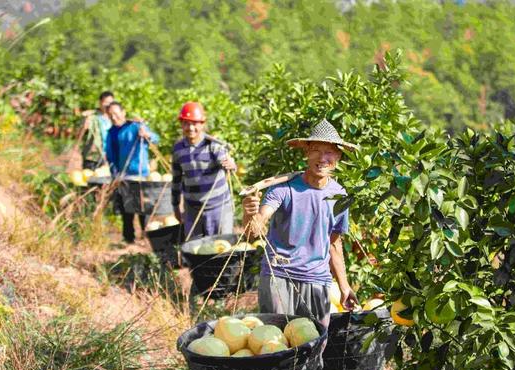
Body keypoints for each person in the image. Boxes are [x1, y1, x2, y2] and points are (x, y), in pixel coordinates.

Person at [242, 119, 358, 327]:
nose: (323, 158)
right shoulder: (283, 189)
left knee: (315, 343)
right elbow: (254, 232)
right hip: (279, 276)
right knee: (277, 342)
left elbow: (334, 243)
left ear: (338, 156)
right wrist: (250, 214)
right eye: (316, 150)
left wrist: (344, 286)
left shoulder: (339, 196)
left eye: (329, 152)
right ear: (306, 153)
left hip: (317, 279)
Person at [171, 102, 237, 239]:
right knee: (196, 251)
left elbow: (226, 161)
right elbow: (176, 180)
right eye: (186, 123)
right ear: (181, 124)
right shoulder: (178, 149)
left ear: (202, 124)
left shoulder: (214, 146)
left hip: (218, 207)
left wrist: (231, 164)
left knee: (222, 247)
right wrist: (175, 205)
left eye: (195, 123)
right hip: (192, 209)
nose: (191, 128)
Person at [105, 101, 160, 244]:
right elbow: (110, 155)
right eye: (111, 115)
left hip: (141, 174)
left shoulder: (135, 126)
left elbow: (155, 139)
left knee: (143, 208)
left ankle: (146, 237)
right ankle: (129, 238)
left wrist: (146, 134)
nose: (114, 118)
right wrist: (115, 173)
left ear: (123, 113)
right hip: (124, 176)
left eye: (116, 114)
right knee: (126, 209)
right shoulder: (111, 133)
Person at [82, 91, 114, 169]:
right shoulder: (92, 117)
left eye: (110, 103)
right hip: (93, 157)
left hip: (110, 157)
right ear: (100, 102)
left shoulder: (114, 118)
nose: (108, 105)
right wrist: (84, 124)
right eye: (105, 102)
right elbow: (81, 132)